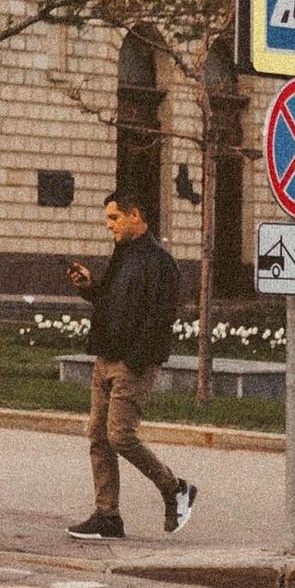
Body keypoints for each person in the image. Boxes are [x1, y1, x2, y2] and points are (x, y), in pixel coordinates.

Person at [66, 193, 196, 542]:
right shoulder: (123, 255)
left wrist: (136, 361)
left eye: (114, 218)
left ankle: (175, 488)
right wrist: (90, 287)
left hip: (132, 363)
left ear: (134, 215)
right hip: (106, 358)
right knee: (98, 437)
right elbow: (110, 301)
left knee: (120, 436)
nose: (108, 225)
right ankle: (107, 516)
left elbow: (160, 319)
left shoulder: (160, 263)